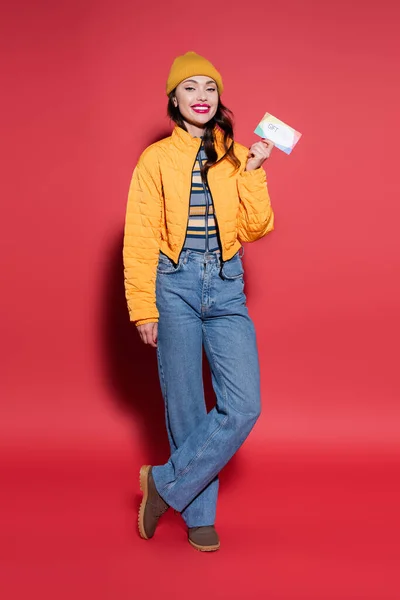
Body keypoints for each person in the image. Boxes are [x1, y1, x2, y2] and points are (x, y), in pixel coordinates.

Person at [123, 51, 274, 552]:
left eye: (210, 88)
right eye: (190, 88)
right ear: (173, 99)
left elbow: (257, 227)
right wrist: (144, 306)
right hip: (175, 284)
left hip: (227, 283)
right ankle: (200, 515)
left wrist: (252, 171)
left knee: (243, 405)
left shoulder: (235, 154)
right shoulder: (155, 159)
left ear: (219, 98)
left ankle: (163, 485)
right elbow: (140, 235)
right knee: (185, 404)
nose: (202, 97)